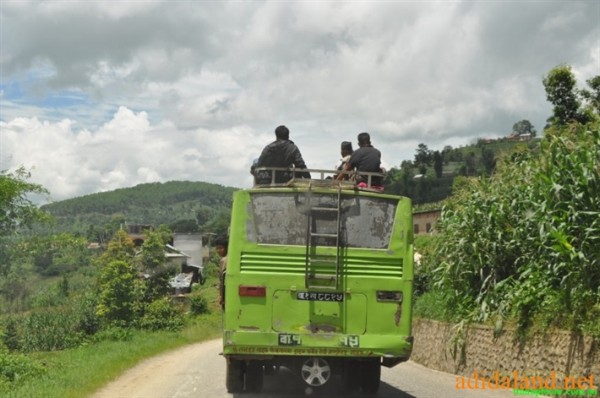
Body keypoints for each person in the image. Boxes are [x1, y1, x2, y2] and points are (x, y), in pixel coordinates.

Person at [215, 237, 228, 310]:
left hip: (226, 293)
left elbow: (222, 280)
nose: (218, 251)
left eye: (221, 248)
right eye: (217, 248)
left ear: (226, 248)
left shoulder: (224, 260)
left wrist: (221, 296)